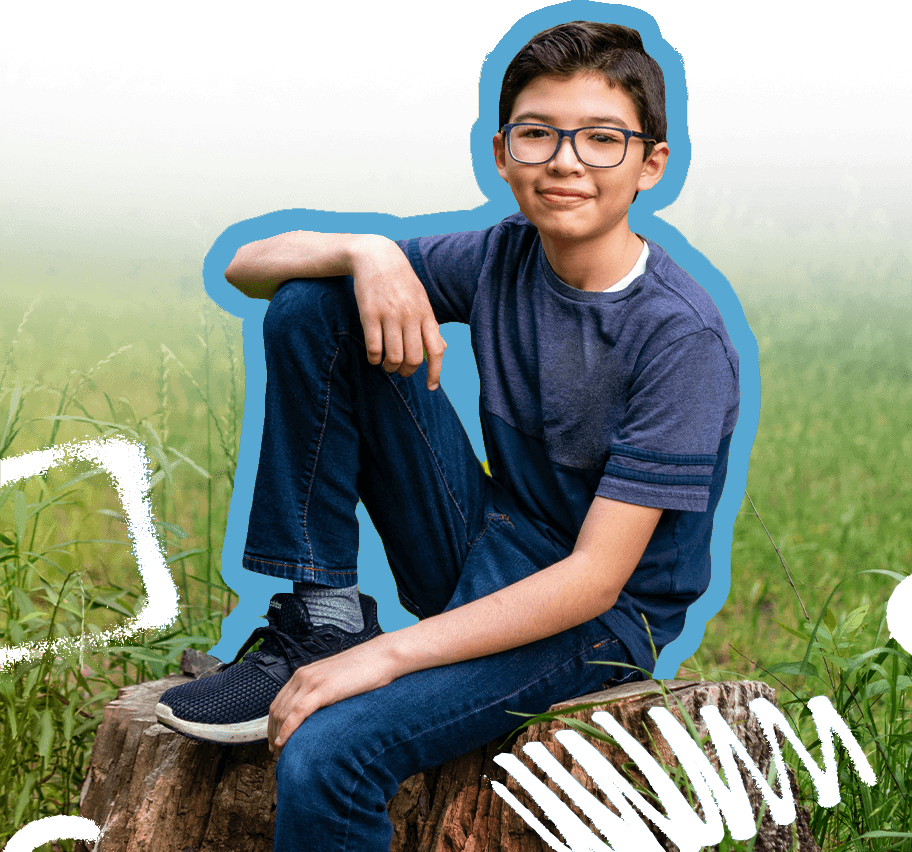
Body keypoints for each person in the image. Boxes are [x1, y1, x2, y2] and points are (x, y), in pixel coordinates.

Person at [156, 19, 741, 851]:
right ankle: (322, 613)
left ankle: (354, 658)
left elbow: (596, 580)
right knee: (315, 303)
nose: (566, 161)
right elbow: (248, 264)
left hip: (596, 626)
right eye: (539, 135)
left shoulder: (678, 339)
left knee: (328, 755)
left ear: (652, 162)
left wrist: (388, 657)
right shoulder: (503, 256)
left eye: (602, 139)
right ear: (503, 153)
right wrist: (367, 252)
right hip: (491, 540)